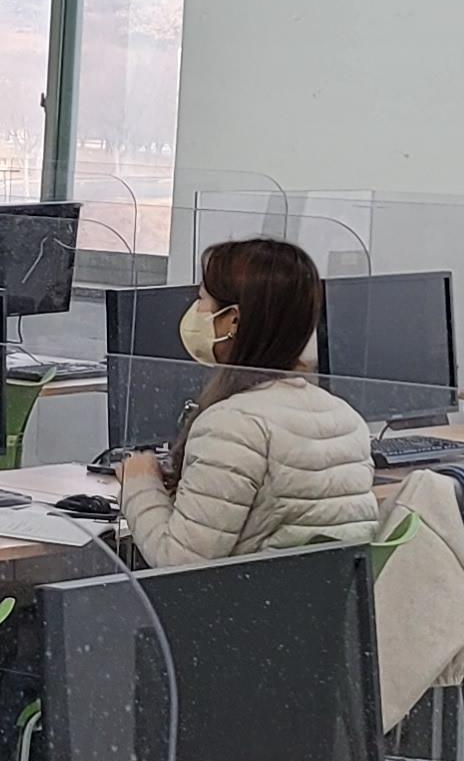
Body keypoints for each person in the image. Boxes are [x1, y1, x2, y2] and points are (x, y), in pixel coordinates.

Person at [115, 235, 377, 567]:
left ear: (233, 320)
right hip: (317, 600)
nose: (195, 311)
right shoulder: (346, 418)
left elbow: (178, 562)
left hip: (249, 600)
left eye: (202, 299)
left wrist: (140, 483)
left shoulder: (232, 426)